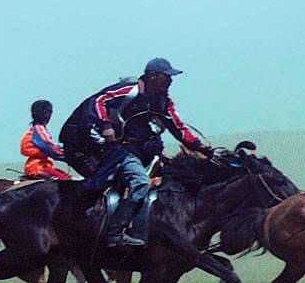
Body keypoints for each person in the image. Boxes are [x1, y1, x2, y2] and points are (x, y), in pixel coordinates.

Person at [59, 57, 212, 247]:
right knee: (138, 182)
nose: (171, 81)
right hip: (90, 144)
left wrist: (200, 147)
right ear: (153, 77)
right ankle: (115, 232)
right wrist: (106, 126)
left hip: (123, 148)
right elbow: (98, 101)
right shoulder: (129, 90)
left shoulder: (163, 102)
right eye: (167, 77)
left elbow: (178, 128)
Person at [20, 100, 71, 180]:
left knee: (64, 175)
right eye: (48, 112)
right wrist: (69, 155)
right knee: (65, 179)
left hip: (35, 166)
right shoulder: (39, 130)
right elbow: (50, 148)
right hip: (39, 167)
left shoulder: (35, 129)